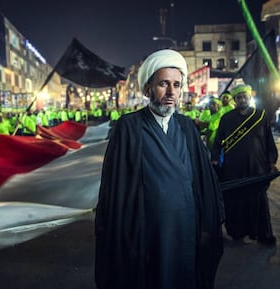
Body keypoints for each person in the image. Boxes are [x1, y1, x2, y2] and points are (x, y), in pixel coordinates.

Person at [95, 49, 224, 289]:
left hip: (186, 226)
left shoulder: (187, 127)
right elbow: (117, 187)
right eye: (163, 84)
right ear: (147, 89)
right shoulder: (129, 127)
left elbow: (204, 180)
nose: (171, 92)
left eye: (176, 84)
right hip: (146, 230)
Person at [211, 84, 278, 245]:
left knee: (259, 200)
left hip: (257, 167)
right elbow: (218, 142)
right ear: (235, 100)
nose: (242, 100)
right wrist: (214, 158)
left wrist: (271, 161)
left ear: (250, 98)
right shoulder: (226, 119)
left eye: (245, 97)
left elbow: (268, 141)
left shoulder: (260, 116)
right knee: (236, 201)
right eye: (239, 97)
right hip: (234, 168)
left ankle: (263, 234)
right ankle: (237, 232)